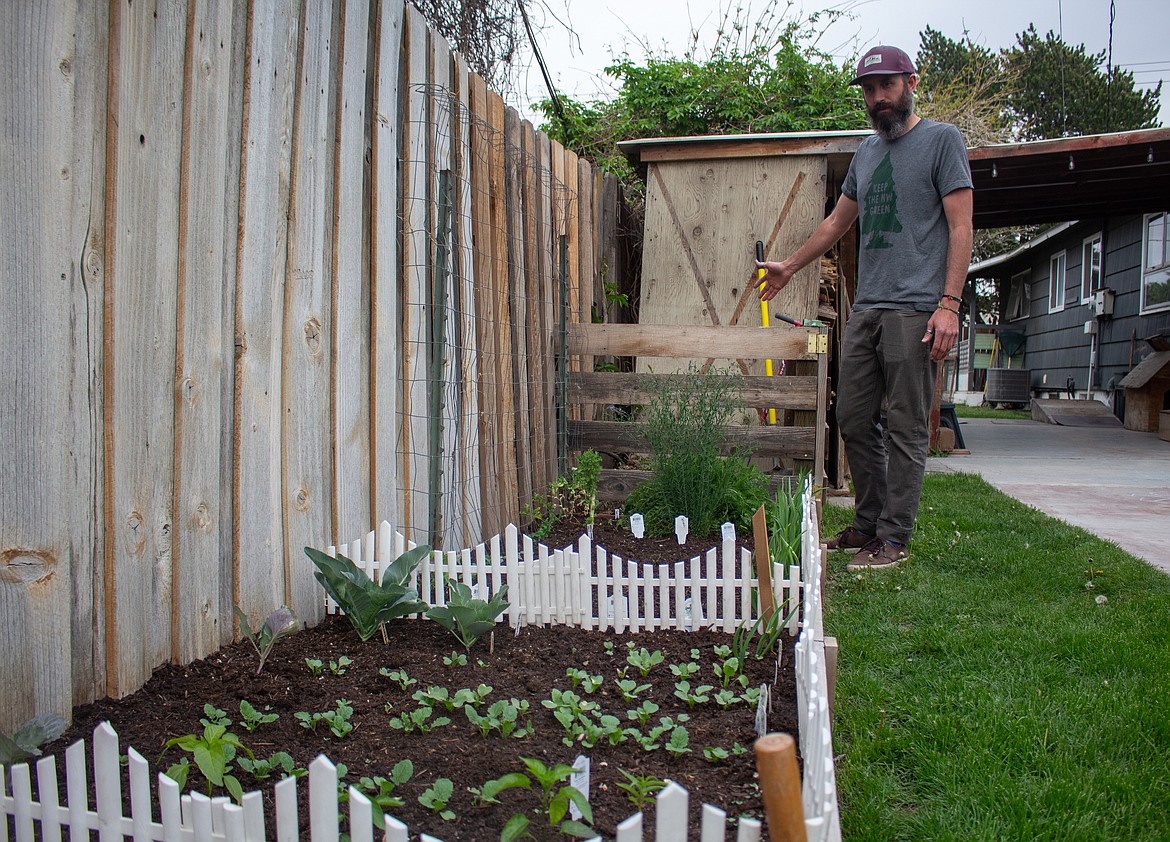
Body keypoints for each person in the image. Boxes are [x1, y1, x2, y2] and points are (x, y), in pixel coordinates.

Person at [757, 45, 973, 571]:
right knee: (852, 416)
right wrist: (788, 264)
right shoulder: (866, 154)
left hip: (916, 308)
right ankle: (868, 523)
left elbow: (962, 226)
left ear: (911, 83)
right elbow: (836, 223)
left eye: (888, 86)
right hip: (868, 308)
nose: (878, 97)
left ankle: (894, 539)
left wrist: (949, 304)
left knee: (904, 424)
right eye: (869, 90)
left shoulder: (942, 141)